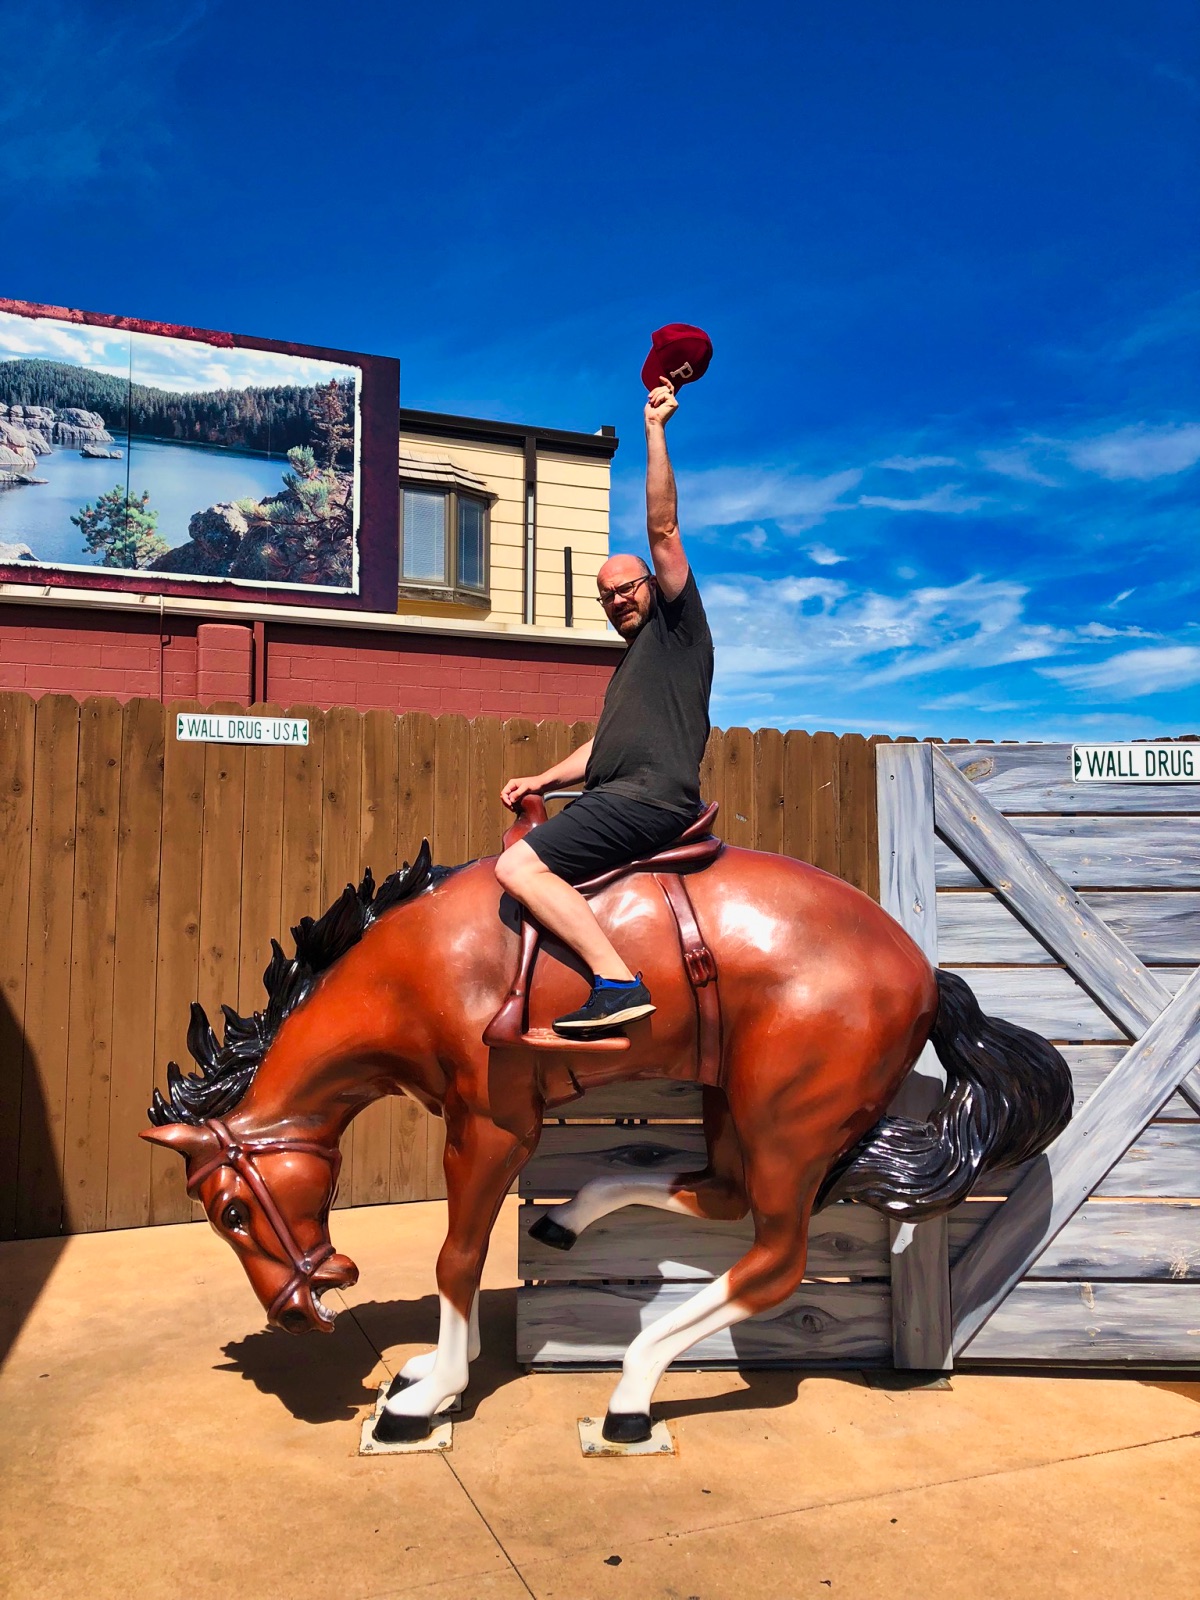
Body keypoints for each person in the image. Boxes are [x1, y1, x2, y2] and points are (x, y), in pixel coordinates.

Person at [496, 380, 714, 1035]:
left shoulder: (677, 629)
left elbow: (664, 528)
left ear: (653, 584)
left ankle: (616, 982)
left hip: (645, 801)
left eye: (628, 587)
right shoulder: (634, 668)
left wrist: (654, 430)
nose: (619, 599)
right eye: (607, 596)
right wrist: (543, 779)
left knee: (517, 866)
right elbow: (604, 749)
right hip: (621, 793)